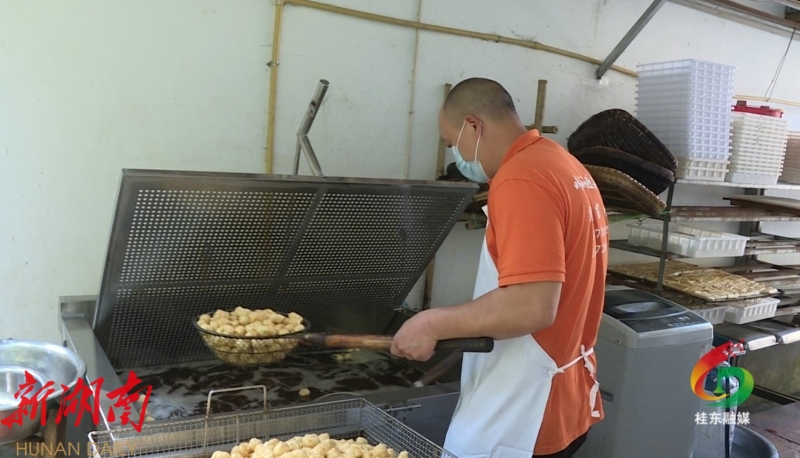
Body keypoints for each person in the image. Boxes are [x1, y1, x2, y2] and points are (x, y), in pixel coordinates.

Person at [390, 78, 609, 458]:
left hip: (525, 410)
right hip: (565, 397)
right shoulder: (562, 164)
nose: (455, 155)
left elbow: (530, 306)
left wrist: (430, 324)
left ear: (473, 126)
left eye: (451, 143)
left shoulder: (521, 178)